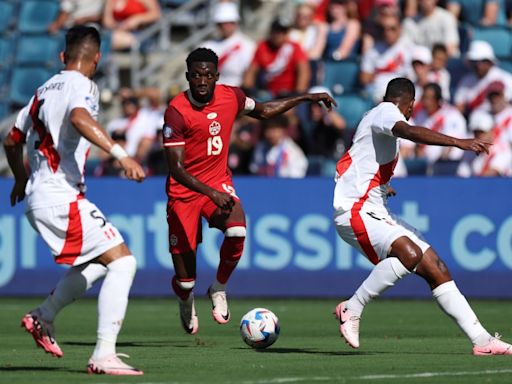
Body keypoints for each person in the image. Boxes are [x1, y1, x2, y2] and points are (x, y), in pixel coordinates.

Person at [332, 77, 512, 355]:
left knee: (435, 267)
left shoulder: (376, 117)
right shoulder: (387, 112)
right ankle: (352, 307)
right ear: (410, 104)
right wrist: (457, 142)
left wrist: (381, 186)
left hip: (372, 206)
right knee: (410, 254)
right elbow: (408, 131)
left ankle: (482, 340)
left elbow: (359, 160)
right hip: (356, 208)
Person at [3, 26, 145, 374]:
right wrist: (121, 155)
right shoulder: (84, 85)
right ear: (97, 58)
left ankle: (44, 315)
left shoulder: (41, 91)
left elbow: (11, 139)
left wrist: (21, 179)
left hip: (39, 195)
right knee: (124, 263)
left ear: (62, 57)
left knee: (101, 262)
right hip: (58, 194)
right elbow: (80, 118)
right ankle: (103, 354)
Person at [163, 47, 335, 334]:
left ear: (217, 76)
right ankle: (186, 298)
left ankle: (218, 288)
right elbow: (177, 170)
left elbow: (265, 110)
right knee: (185, 281)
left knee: (237, 230)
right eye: (196, 76)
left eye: (207, 75)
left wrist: (304, 97)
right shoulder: (177, 111)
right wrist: (211, 193)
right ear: (187, 77)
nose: (202, 81)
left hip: (217, 183)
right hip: (184, 192)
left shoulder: (231, 96)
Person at [243, 19, 310, 98]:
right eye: (277, 31)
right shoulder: (263, 46)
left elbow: (303, 72)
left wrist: (297, 94)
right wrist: (247, 90)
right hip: (267, 93)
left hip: (288, 94)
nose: (279, 35)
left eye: (283, 32)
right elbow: (251, 70)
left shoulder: (294, 47)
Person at [412, 82, 467, 173]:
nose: (425, 102)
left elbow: (452, 144)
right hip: (424, 165)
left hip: (447, 166)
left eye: (429, 98)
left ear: (438, 100)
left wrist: (440, 166)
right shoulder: (420, 115)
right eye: (424, 98)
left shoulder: (452, 114)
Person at [360, 14, 413, 103]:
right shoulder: (373, 51)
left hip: (399, 96)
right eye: (384, 29)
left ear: (400, 29)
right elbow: (364, 78)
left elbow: (410, 78)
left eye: (392, 29)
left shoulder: (409, 50)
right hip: (375, 97)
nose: (388, 33)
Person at [202, 1, 255, 87]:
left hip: (237, 91)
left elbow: (248, 78)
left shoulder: (247, 45)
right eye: (221, 24)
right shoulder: (207, 46)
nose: (224, 26)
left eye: (228, 23)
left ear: (235, 23)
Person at [455, 40, 512, 115]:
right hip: (475, 121)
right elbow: (459, 107)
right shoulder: (466, 81)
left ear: (490, 62)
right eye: (474, 61)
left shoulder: (506, 79)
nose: (478, 65)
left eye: (482, 61)